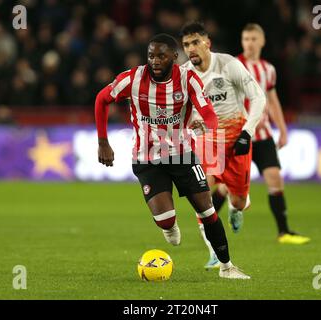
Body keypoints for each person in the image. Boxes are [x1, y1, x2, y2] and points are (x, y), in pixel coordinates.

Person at [95, 33, 250, 279]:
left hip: (182, 156)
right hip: (147, 160)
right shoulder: (133, 78)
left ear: (174, 58)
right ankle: (169, 225)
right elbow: (102, 99)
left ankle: (227, 267)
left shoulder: (188, 79)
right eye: (151, 56)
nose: (154, 61)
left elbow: (208, 112)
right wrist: (103, 141)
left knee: (207, 210)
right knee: (166, 221)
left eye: (161, 56)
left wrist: (207, 125)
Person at [212, 23, 311, 248]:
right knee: (226, 187)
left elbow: (272, 100)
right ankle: (209, 224)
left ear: (262, 41)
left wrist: (283, 130)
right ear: (241, 41)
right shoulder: (231, 65)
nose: (249, 43)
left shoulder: (269, 70)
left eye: (253, 38)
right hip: (238, 136)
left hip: (263, 135)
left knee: (275, 179)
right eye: (246, 39)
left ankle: (284, 232)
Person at [180, 22, 266, 269]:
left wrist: (247, 133)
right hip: (208, 139)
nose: (191, 48)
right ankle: (215, 253)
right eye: (186, 45)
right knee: (202, 193)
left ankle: (235, 206)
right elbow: (182, 110)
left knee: (238, 200)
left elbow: (258, 97)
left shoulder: (229, 65)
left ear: (207, 42)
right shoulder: (184, 74)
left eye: (195, 42)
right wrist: (189, 126)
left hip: (237, 136)